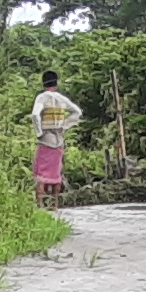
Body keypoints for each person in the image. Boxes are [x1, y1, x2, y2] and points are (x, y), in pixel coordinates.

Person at [32, 70, 84, 206]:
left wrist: (39, 132)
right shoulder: (61, 99)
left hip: (46, 139)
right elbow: (77, 112)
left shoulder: (42, 97)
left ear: (43, 83)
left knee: (41, 175)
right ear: (56, 83)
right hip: (58, 140)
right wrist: (64, 126)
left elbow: (35, 115)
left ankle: (40, 204)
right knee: (56, 175)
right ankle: (55, 205)